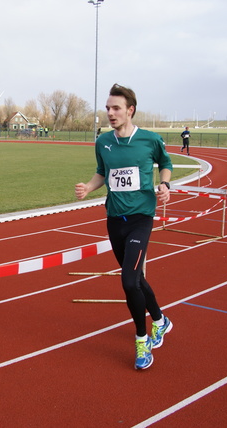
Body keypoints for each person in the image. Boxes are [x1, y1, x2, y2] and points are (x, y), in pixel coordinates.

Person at [75, 84, 173, 370]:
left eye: (116, 108)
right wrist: (88, 188)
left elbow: (165, 163)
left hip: (141, 218)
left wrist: (165, 184)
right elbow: (102, 173)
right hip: (115, 219)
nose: (110, 113)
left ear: (130, 110)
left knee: (129, 281)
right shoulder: (103, 142)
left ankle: (142, 342)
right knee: (135, 279)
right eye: (107, 108)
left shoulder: (150, 140)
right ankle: (160, 320)